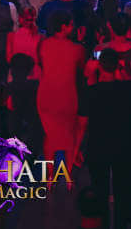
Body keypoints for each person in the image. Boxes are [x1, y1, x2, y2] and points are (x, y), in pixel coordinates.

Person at [82, 48, 131, 228]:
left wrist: (77, 149)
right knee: (124, 190)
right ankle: (122, 223)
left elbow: (82, 124)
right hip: (124, 145)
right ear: (117, 66)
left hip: (98, 145)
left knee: (100, 189)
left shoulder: (91, 91)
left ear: (100, 66)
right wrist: (124, 69)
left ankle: (104, 223)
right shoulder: (129, 89)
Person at [37, 9, 86, 166]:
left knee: (50, 135)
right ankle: (68, 172)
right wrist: (81, 42)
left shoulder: (43, 44)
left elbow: (41, 64)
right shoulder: (77, 49)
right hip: (66, 95)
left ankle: (49, 175)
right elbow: (82, 67)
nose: (73, 27)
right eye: (71, 25)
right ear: (63, 27)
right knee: (68, 135)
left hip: (46, 94)